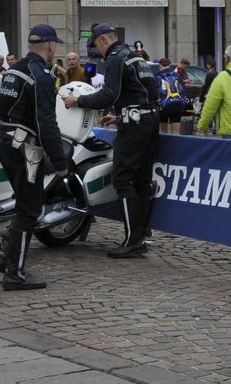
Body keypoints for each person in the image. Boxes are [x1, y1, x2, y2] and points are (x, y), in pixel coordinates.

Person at [63, 22, 159, 257]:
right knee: (141, 180)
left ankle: (132, 241)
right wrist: (119, 117)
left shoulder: (115, 58)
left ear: (105, 40)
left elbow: (108, 94)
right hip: (148, 121)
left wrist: (77, 102)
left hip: (135, 126)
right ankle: (141, 233)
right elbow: (145, 94)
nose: (97, 51)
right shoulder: (135, 57)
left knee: (123, 179)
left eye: (96, 45)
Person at [0, 25, 70, 290]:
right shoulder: (42, 77)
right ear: (49, 46)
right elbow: (47, 123)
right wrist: (60, 162)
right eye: (55, 45)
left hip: (6, 142)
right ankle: (15, 274)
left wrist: (1, 136)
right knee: (29, 209)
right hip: (24, 149)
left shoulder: (13, 70)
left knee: (25, 202)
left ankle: (7, 257)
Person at [155, 58, 187, 134]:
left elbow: (154, 92)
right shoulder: (177, 75)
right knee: (176, 134)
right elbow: (183, 90)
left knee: (163, 132)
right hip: (177, 104)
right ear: (170, 65)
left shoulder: (157, 76)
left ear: (160, 65)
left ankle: (165, 145)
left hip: (163, 105)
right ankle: (175, 145)